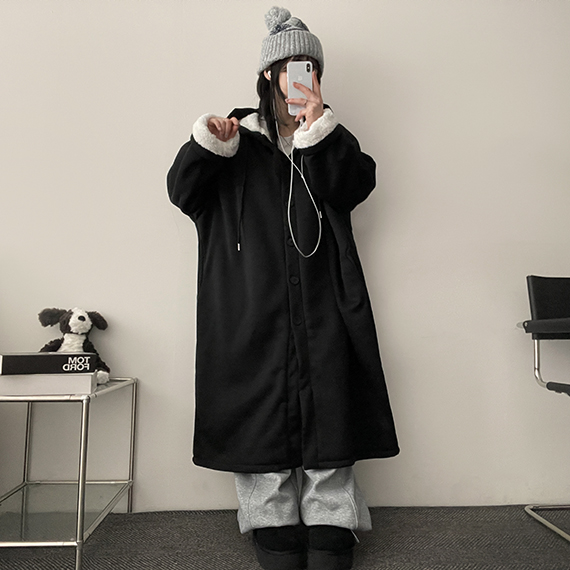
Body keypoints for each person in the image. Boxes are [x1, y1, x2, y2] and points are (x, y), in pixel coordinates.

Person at [167, 6, 399, 570]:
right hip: (249, 303)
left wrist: (316, 131)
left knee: (330, 407)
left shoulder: (329, 136)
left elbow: (355, 185)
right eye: (292, 66)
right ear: (269, 74)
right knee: (257, 410)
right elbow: (182, 192)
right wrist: (207, 144)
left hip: (324, 301)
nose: (302, 76)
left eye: (311, 67)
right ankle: (269, 518)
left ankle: (332, 518)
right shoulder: (234, 139)